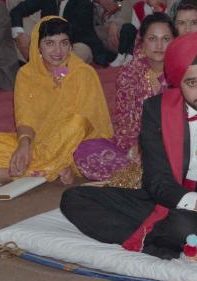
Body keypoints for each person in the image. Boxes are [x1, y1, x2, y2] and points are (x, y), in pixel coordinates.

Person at [61, 31, 197, 259]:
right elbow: (156, 181)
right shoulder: (156, 110)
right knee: (73, 199)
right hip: (166, 198)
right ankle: (160, 244)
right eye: (192, 82)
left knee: (184, 226)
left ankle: (176, 239)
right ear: (178, 81)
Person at [0, 16, 112, 185]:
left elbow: (86, 126)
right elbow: (24, 116)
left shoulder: (83, 73)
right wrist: (24, 144)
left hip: (76, 147)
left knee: (77, 122)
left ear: (71, 46)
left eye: (64, 43)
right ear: (38, 46)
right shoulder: (26, 74)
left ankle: (24, 173)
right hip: (40, 143)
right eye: (50, 43)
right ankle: (51, 168)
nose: (58, 51)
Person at [74, 13, 174, 182]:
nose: (159, 45)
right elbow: (126, 121)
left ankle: (140, 176)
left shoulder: (183, 74)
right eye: (152, 38)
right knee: (86, 149)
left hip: (173, 145)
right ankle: (140, 175)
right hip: (136, 146)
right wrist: (137, 147)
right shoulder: (130, 74)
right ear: (141, 42)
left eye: (166, 39)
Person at [11, 0, 105, 64]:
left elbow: (73, 35)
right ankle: (35, 67)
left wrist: (48, 46)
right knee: (20, 29)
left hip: (72, 43)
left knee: (82, 51)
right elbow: (17, 11)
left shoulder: (83, 4)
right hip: (46, 41)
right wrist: (20, 35)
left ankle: (56, 74)